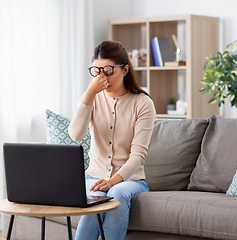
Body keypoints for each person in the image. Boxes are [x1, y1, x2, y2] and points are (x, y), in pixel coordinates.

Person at [68, 40, 156, 240]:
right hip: (92, 176)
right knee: (96, 194)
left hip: (130, 181)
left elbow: (138, 156)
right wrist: (90, 94)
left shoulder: (143, 103)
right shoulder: (91, 97)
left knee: (115, 194)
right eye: (97, 71)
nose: (102, 78)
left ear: (125, 70)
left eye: (108, 71)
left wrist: (111, 182)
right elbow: (75, 135)